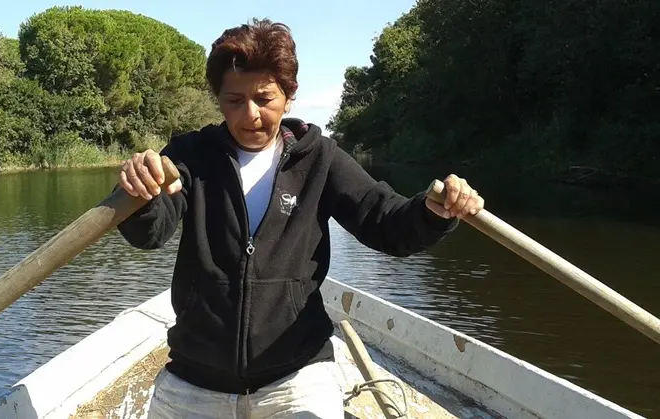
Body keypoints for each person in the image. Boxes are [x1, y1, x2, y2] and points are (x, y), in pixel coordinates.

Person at [116, 18, 484, 419]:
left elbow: (386, 223)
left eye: (264, 99)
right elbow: (151, 233)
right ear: (218, 99)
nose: (250, 115)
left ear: (289, 96)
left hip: (295, 375)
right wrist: (141, 195)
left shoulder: (320, 159)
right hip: (194, 377)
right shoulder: (189, 156)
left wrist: (432, 212)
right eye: (234, 100)